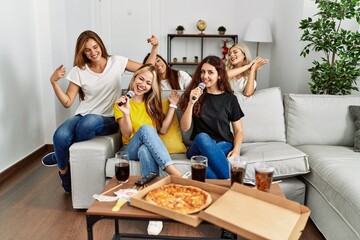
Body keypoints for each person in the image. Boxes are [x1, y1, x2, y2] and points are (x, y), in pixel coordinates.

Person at [41, 30, 159, 193]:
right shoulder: (78, 70)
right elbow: (68, 102)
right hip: (83, 114)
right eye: (87, 50)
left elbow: (146, 70)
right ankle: (65, 179)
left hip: (108, 118)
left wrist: (155, 48)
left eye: (95, 47)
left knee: (88, 123)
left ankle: (62, 153)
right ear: (82, 52)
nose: (93, 52)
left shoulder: (117, 62)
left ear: (100, 45)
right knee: (59, 136)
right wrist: (53, 82)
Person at [178, 55, 244, 180]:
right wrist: (191, 102)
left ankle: (220, 187)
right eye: (202, 72)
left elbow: (238, 130)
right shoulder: (194, 94)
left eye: (210, 72)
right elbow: (184, 127)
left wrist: (236, 149)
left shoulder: (230, 99)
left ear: (219, 75)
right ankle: (228, 181)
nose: (205, 76)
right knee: (202, 137)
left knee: (201, 163)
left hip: (223, 144)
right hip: (198, 144)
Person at [114, 64, 182, 177]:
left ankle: (150, 188)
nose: (143, 85)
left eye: (148, 83)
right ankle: (173, 172)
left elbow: (163, 130)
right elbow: (126, 134)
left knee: (144, 149)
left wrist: (173, 106)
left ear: (151, 87)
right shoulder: (121, 103)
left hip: (145, 147)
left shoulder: (152, 104)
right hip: (129, 148)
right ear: (135, 77)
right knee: (145, 129)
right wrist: (126, 113)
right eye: (141, 79)